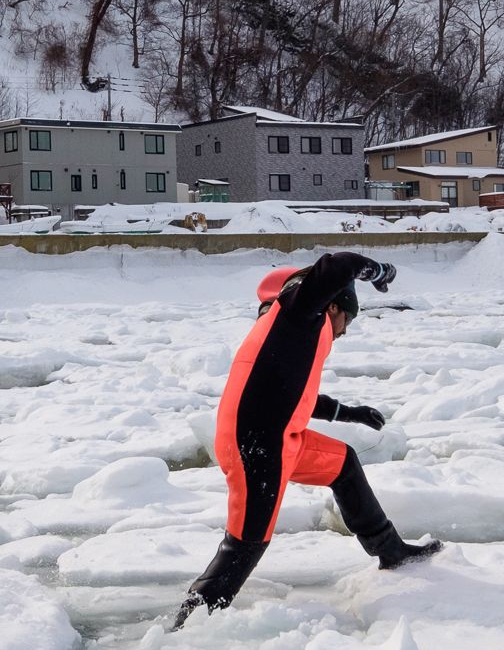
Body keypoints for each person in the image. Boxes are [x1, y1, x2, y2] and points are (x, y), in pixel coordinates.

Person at [174, 253, 442, 628]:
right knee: (247, 542)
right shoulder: (298, 313)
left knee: (342, 462)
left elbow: (294, 395)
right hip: (257, 445)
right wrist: (380, 272)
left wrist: (352, 413)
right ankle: (187, 623)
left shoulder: (290, 332)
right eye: (348, 319)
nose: (345, 330)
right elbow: (339, 264)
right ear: (333, 306)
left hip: (283, 438)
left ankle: (391, 551)